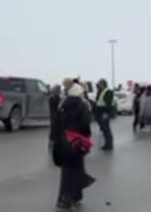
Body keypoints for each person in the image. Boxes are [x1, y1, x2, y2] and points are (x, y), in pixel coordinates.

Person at [53, 79, 95, 210]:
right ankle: (68, 199)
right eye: (82, 93)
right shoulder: (81, 106)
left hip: (64, 140)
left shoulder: (63, 104)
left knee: (68, 171)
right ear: (78, 93)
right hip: (76, 141)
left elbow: (57, 123)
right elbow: (85, 125)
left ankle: (68, 197)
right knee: (74, 170)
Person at [94, 78, 114, 151]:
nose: (99, 86)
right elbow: (97, 100)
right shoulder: (101, 91)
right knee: (104, 130)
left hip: (104, 112)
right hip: (100, 112)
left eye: (100, 84)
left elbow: (108, 104)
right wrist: (98, 90)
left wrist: (106, 113)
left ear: (103, 84)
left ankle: (109, 145)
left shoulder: (108, 91)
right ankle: (107, 144)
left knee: (106, 129)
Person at [48, 84, 62, 150]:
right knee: (55, 129)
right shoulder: (56, 98)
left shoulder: (52, 97)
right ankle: (53, 143)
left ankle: (52, 143)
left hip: (53, 115)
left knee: (53, 129)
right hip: (56, 115)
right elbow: (59, 107)